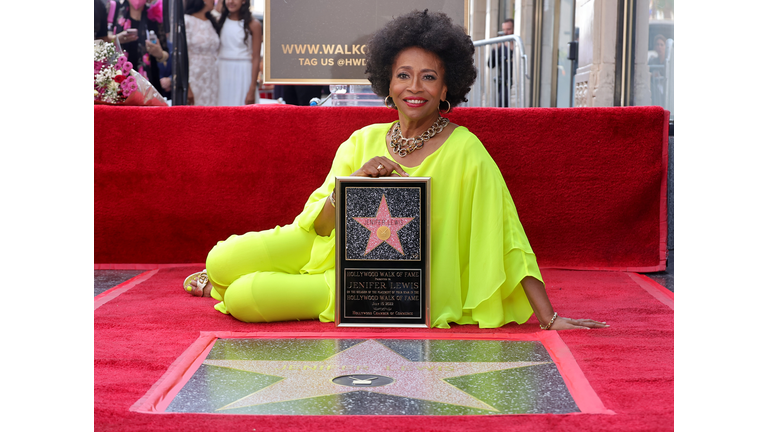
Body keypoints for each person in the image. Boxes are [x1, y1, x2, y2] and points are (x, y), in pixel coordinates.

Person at [183, 10, 608, 331]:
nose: (414, 87)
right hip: (318, 246)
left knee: (244, 296)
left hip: (375, 287)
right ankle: (217, 279)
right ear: (387, 81)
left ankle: (226, 289)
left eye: (428, 77)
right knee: (220, 259)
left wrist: (549, 318)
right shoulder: (361, 140)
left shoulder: (466, 151)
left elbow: (509, 238)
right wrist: (350, 187)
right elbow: (323, 228)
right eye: (403, 75)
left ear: (446, 88)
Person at [111, 0, 169, 94]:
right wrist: (116, 39)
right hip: (118, 80)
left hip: (149, 81)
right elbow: (101, 40)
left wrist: (159, 53)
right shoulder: (114, 11)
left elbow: (166, 53)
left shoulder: (153, 16)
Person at [217, 0, 261, 105]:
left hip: (243, 72)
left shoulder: (254, 24)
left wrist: (252, 89)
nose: (231, 2)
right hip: (221, 71)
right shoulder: (219, 21)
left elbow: (256, 58)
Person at [184, 0, 220, 106]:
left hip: (212, 76)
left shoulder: (211, 21)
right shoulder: (187, 20)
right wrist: (187, 86)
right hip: (194, 76)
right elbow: (182, 55)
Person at [488, 18, 515, 107]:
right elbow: (490, 64)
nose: (506, 33)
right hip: (503, 86)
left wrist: (511, 48)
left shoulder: (517, 45)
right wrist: (496, 47)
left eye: (508, 29)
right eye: (504, 30)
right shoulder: (501, 47)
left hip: (514, 85)